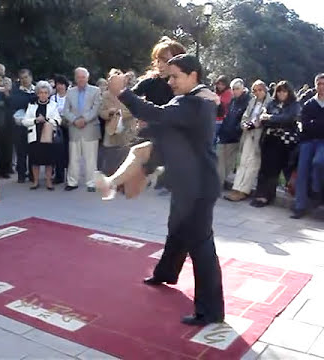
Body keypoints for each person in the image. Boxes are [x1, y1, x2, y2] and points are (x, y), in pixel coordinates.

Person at [104, 54, 224, 326]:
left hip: (199, 186)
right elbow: (165, 124)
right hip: (187, 183)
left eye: (175, 76)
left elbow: (157, 114)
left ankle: (211, 311)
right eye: (168, 76)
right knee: (177, 230)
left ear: (193, 75)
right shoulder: (197, 100)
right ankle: (166, 272)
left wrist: (123, 92)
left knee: (202, 246)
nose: (170, 82)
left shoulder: (193, 102)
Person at [132, 37, 186, 192]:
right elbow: (131, 97)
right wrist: (141, 115)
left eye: (165, 60)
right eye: (157, 60)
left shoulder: (187, 86)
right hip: (154, 134)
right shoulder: (151, 82)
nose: (160, 65)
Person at [250, 81, 300, 208]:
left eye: (284, 91)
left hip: (284, 142)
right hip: (269, 139)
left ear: (289, 92)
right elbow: (262, 118)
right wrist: (271, 119)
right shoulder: (272, 103)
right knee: (265, 169)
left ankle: (271, 196)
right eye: (279, 91)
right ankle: (262, 195)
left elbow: (288, 118)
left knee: (278, 169)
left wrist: (270, 118)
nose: (281, 94)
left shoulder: (294, 105)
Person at [225, 80, 272, 202]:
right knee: (243, 162)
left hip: (259, 136)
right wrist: (244, 124)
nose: (257, 93)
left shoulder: (270, 103)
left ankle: (244, 190)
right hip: (248, 134)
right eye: (255, 90)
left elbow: (266, 118)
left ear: (265, 90)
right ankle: (236, 188)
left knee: (252, 164)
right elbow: (245, 116)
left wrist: (257, 124)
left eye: (260, 90)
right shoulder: (252, 101)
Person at [63, 67, 102, 192]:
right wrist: (75, 120)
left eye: (83, 77)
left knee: (90, 158)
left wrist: (84, 119)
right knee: (73, 157)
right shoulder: (70, 92)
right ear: (75, 78)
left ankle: (91, 183)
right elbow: (65, 111)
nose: (81, 79)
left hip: (90, 128)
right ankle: (72, 182)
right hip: (74, 128)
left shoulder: (96, 91)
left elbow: (96, 109)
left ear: (87, 78)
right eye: (78, 77)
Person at [291, 73, 324, 219]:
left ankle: (316, 189)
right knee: (302, 171)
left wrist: (314, 123)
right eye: (319, 84)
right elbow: (305, 125)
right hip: (307, 141)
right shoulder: (309, 104)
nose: (321, 87)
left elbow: (312, 124)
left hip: (322, 141)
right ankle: (300, 206)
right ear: (315, 85)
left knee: (318, 162)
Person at [22, 81, 62, 190]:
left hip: (48, 136)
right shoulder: (32, 105)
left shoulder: (53, 105)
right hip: (35, 136)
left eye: (45, 92)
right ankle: (35, 181)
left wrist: (47, 119)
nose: (43, 95)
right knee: (35, 160)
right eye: (41, 92)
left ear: (48, 94)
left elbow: (59, 120)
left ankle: (49, 181)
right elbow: (24, 121)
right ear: (37, 93)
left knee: (49, 161)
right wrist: (35, 120)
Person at [98, 69, 138, 177]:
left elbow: (134, 110)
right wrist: (109, 113)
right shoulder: (105, 95)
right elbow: (101, 112)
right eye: (111, 82)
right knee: (111, 156)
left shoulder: (130, 93)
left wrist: (119, 112)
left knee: (126, 155)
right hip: (112, 129)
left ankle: (126, 180)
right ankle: (113, 179)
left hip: (127, 129)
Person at [216, 78, 251, 187]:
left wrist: (236, 131)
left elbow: (244, 119)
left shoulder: (247, 101)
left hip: (235, 136)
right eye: (233, 89)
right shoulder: (233, 100)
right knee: (219, 158)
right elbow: (228, 116)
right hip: (225, 133)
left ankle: (218, 183)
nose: (234, 91)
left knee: (228, 162)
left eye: (237, 89)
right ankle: (217, 183)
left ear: (242, 89)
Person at [11, 69, 37, 183]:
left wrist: (28, 102)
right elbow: (16, 103)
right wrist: (29, 101)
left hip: (33, 124)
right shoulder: (16, 91)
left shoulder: (37, 90)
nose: (24, 80)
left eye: (26, 77)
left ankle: (32, 175)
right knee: (21, 151)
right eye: (22, 78)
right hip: (20, 125)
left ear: (31, 77)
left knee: (33, 150)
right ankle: (21, 175)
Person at [51, 74, 70, 184]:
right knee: (58, 151)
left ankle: (70, 175)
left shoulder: (70, 96)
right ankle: (59, 175)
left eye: (62, 84)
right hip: (58, 126)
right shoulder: (53, 98)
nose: (60, 86)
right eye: (58, 84)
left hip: (69, 126)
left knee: (68, 151)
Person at [214, 75, 233, 146]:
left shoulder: (228, 93)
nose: (220, 86)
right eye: (218, 84)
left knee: (214, 140)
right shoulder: (217, 92)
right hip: (214, 118)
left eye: (222, 84)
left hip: (221, 119)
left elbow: (222, 103)